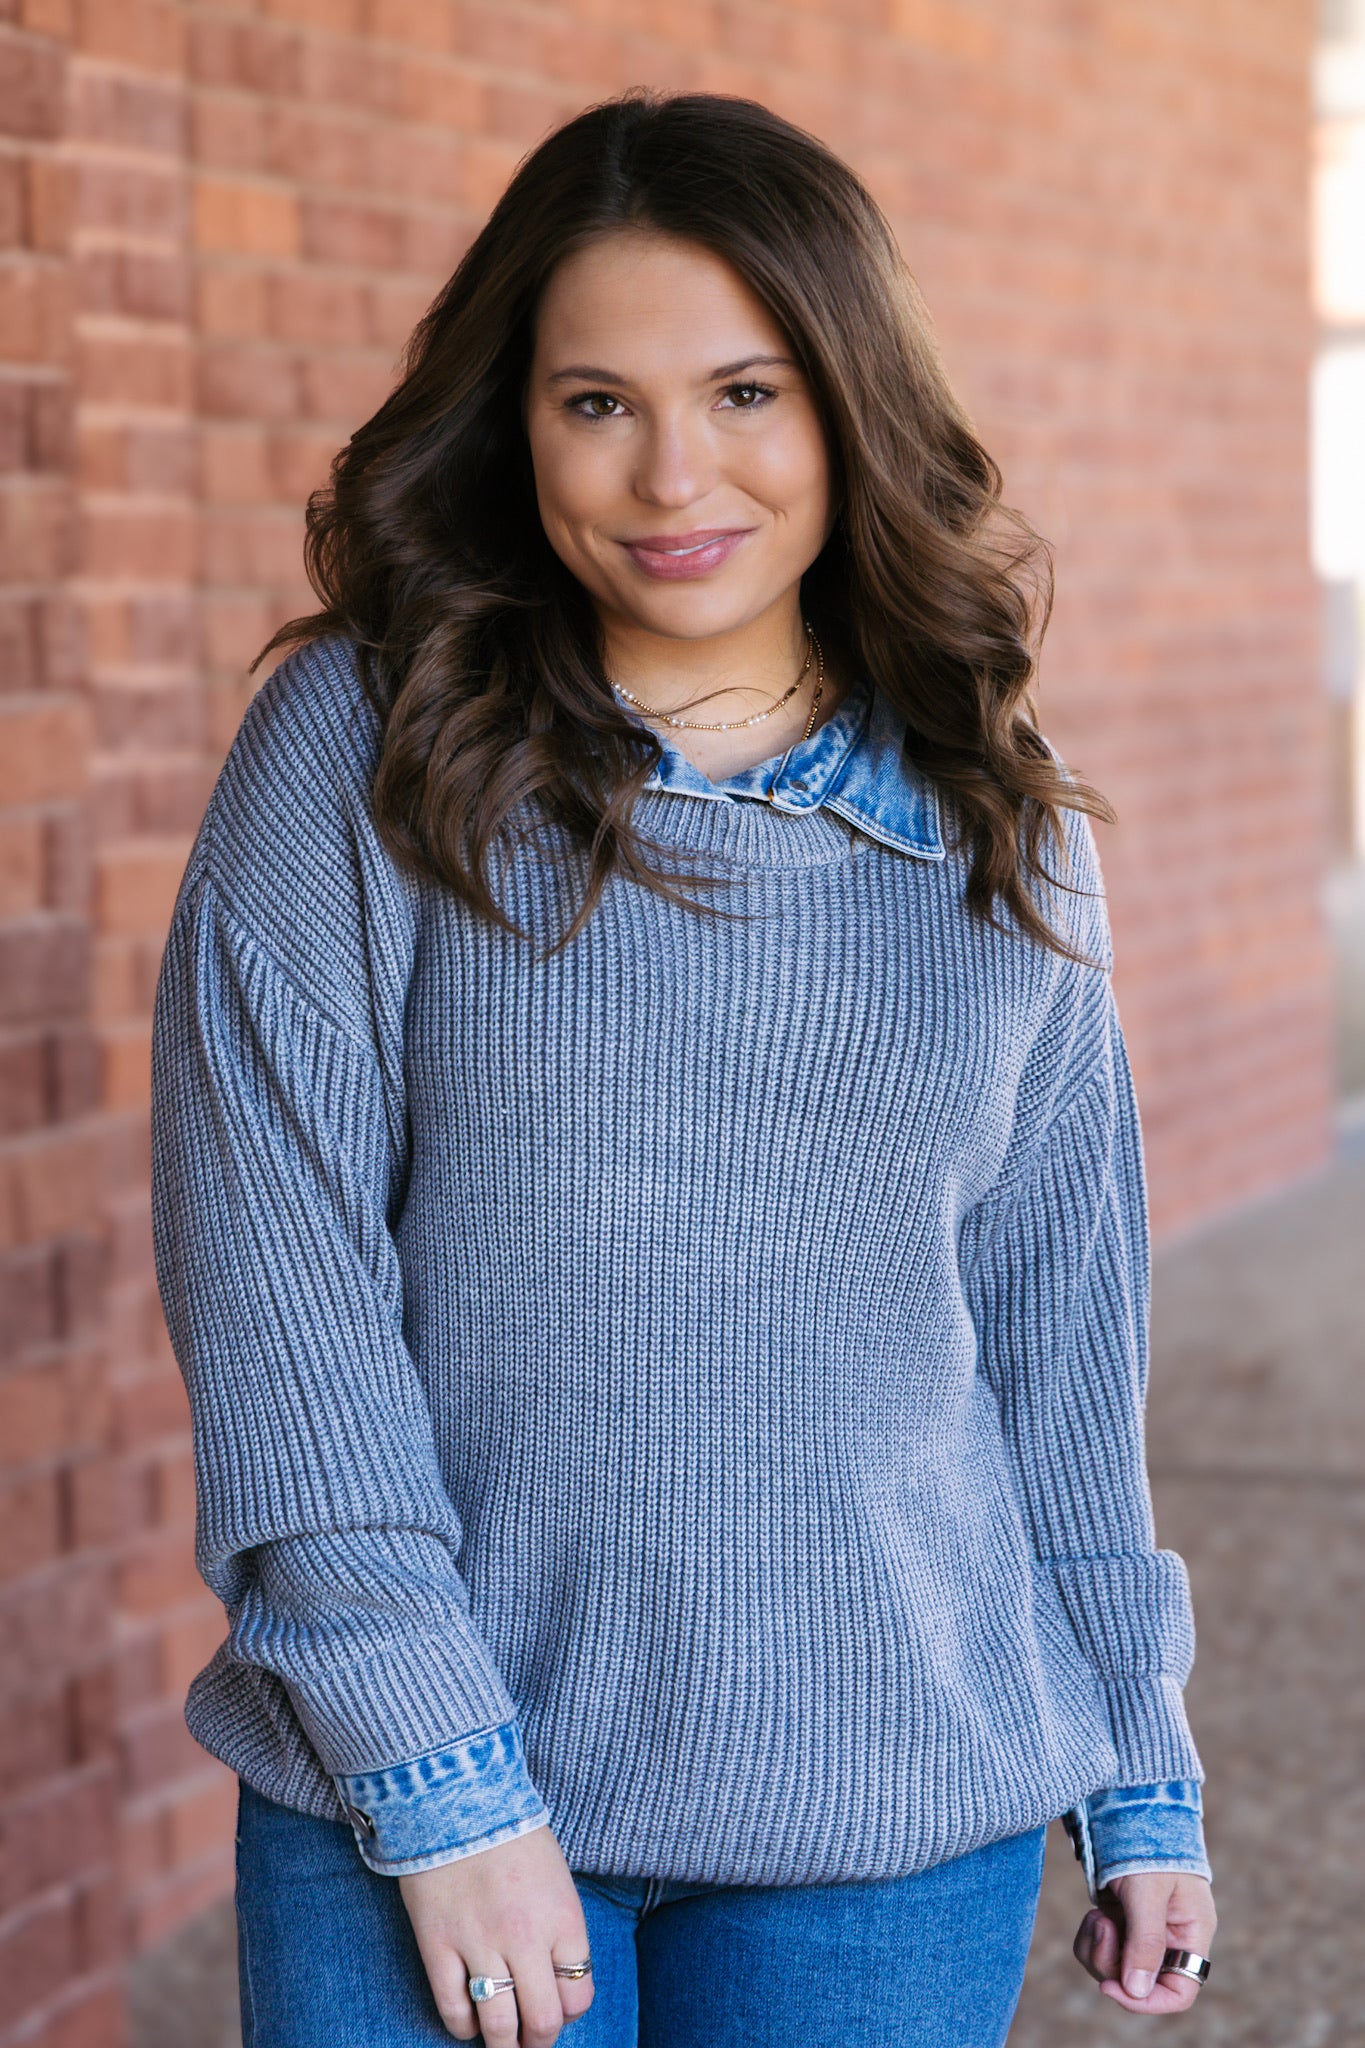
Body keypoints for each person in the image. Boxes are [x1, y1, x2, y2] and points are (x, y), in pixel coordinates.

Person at [150, 89, 1217, 2048]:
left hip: (894, 1816)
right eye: (594, 403)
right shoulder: (358, 750)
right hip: (428, 1798)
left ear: (848, 406)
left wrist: (1131, 1757)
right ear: (513, 420)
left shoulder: (995, 818)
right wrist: (437, 1778)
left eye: (745, 391)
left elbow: (1056, 1335)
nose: (669, 475)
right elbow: (281, 1307)